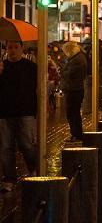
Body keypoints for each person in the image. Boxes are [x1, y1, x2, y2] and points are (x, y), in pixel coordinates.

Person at [0, 41, 38, 192]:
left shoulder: (31, 67)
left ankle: (33, 169)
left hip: (25, 111)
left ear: (22, 48)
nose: (13, 51)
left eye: (16, 47)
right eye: (10, 47)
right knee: (5, 147)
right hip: (4, 112)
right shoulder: (2, 67)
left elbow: (37, 87)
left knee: (27, 144)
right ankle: (9, 179)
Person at [60, 42, 87, 141]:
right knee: (73, 113)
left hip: (74, 89)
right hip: (73, 88)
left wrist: (62, 71)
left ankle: (76, 134)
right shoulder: (77, 58)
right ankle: (75, 134)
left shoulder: (77, 60)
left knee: (72, 113)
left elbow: (68, 74)